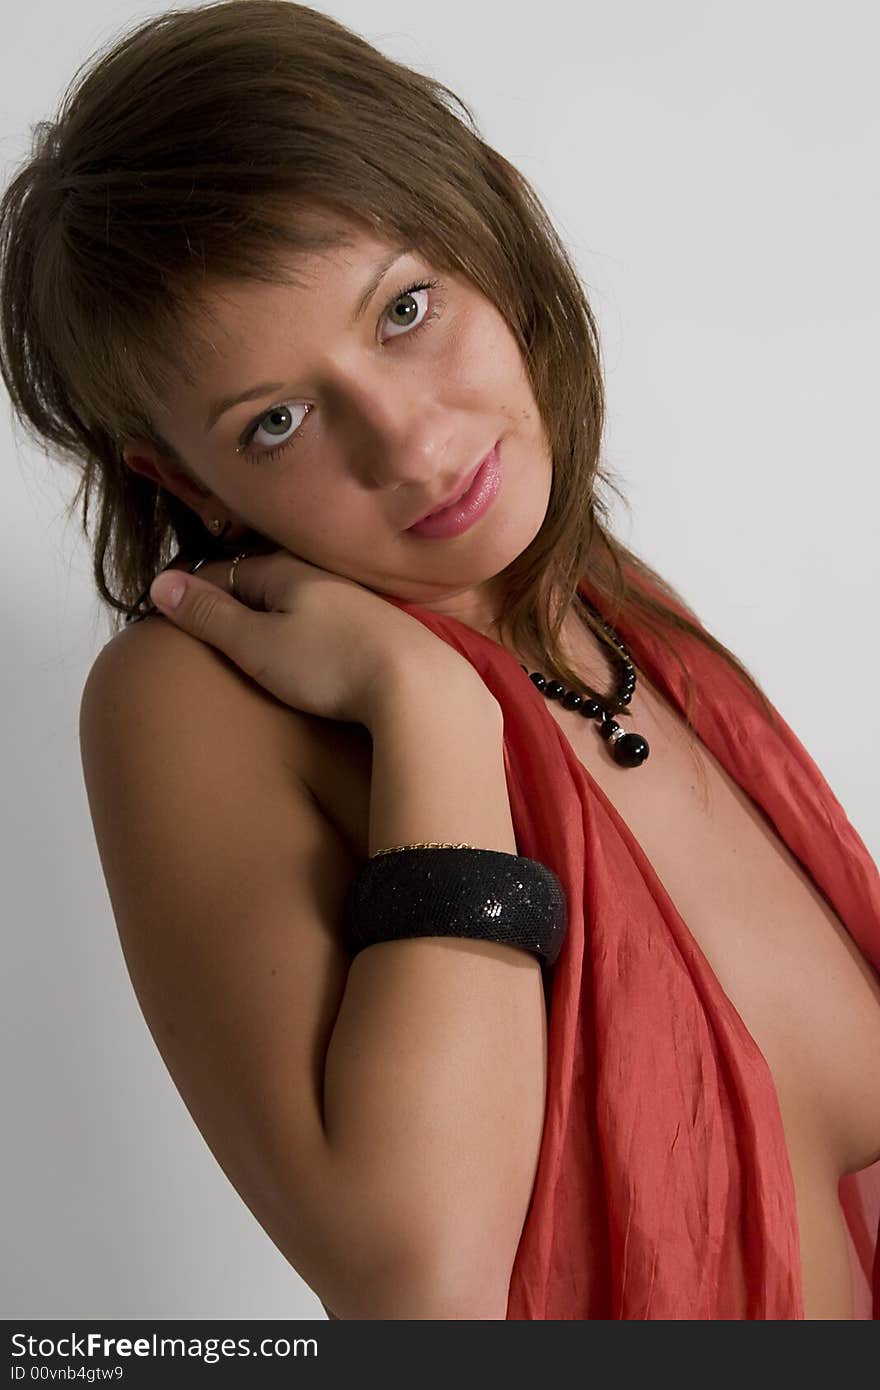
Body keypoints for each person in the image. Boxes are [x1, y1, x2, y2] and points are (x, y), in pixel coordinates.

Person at [1, 0, 878, 1320]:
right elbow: (423, 1283)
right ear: (185, 480)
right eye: (280, 420)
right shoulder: (187, 704)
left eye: (406, 306)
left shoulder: (635, 621)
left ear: (498, 225)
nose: (409, 445)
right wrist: (432, 718)